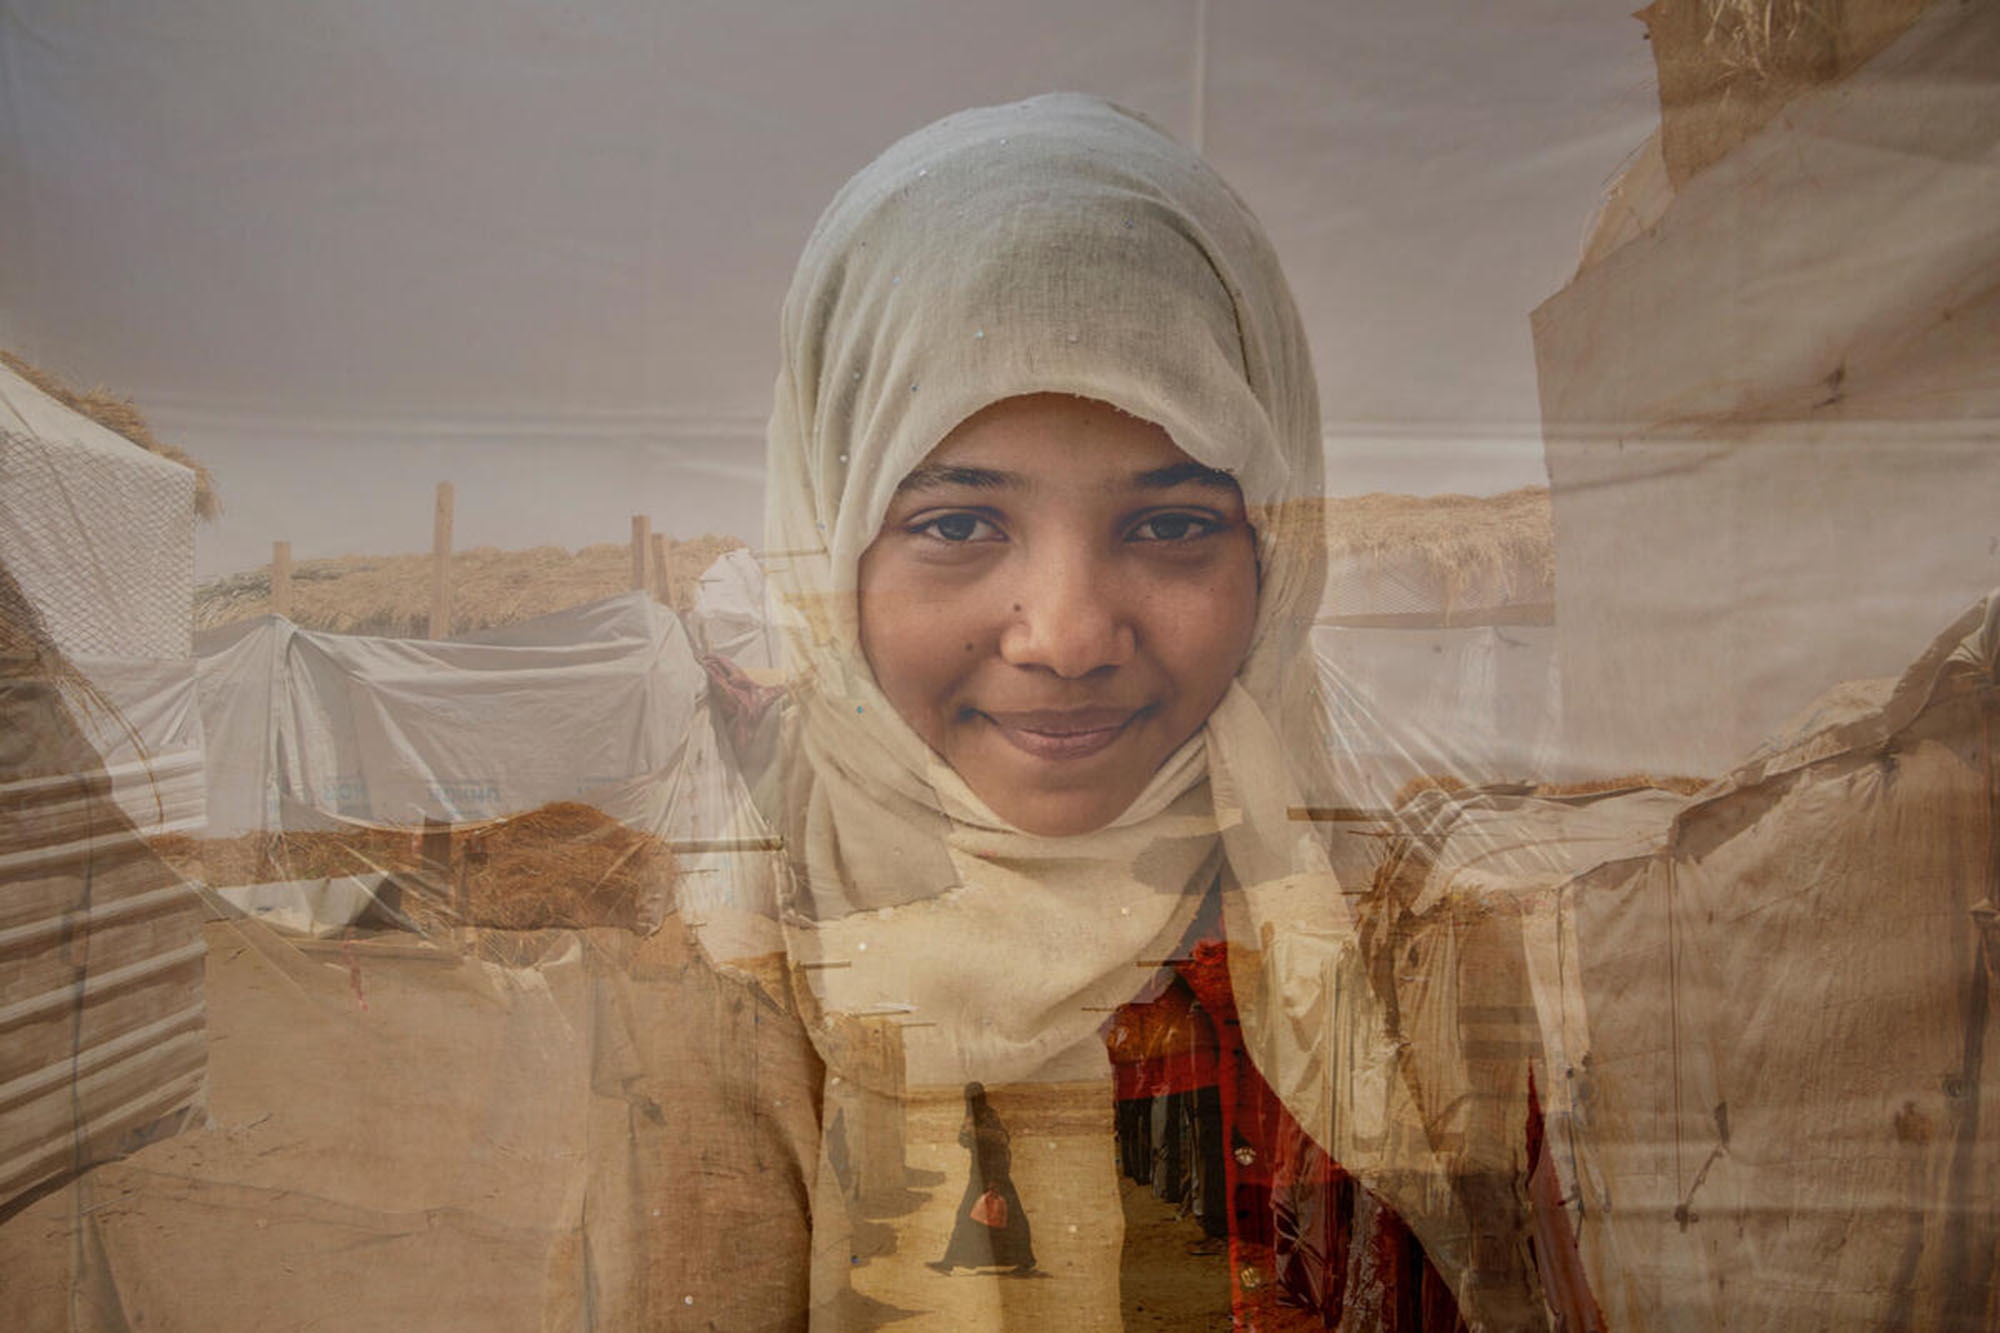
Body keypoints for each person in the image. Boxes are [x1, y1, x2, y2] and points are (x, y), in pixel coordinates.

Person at [753, 92, 1497, 1328]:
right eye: (954, 525)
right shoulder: (721, 975)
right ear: (829, 554)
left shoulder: (1401, 963)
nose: (1065, 637)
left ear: (1273, 550)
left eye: (1168, 525)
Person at [929, 1082, 1037, 1276]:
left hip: (994, 1176)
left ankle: (1024, 1260)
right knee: (973, 1217)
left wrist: (994, 1180)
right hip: (980, 1175)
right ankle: (950, 1261)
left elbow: (1000, 1144)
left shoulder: (987, 1118)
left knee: (1008, 1218)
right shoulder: (974, 1117)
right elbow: (963, 1141)